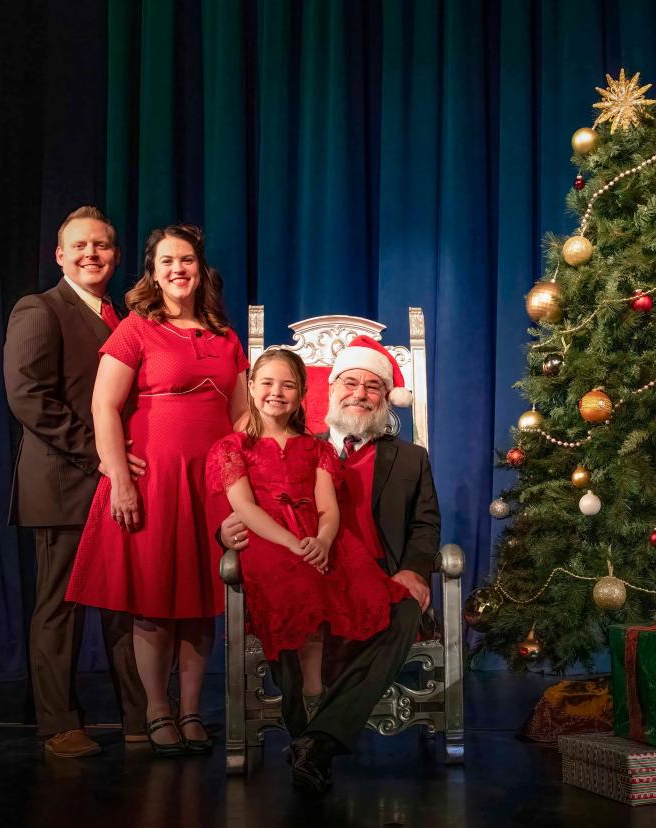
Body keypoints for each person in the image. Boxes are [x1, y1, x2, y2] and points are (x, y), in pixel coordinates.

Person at [219, 335, 438, 796]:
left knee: (403, 610)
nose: (359, 393)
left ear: (385, 399)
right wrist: (224, 530)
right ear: (329, 389)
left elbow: (425, 524)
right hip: (307, 568)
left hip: (378, 574)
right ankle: (312, 739)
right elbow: (248, 502)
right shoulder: (299, 446)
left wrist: (414, 570)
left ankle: (314, 742)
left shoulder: (411, 459)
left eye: (373, 387)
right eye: (350, 382)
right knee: (295, 601)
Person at [65, 224, 248, 758]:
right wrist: (118, 476)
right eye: (166, 261)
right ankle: (155, 709)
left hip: (209, 482)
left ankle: (191, 710)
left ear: (200, 268)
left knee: (199, 602)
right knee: (153, 603)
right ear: (153, 271)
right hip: (154, 479)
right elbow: (103, 406)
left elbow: (240, 415)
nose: (177, 269)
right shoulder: (136, 331)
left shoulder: (225, 336)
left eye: (186, 259)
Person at [3, 206, 147, 758]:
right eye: (80, 246)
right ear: (59, 255)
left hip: (120, 485)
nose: (92, 254)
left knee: (126, 605)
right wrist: (102, 457)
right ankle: (58, 724)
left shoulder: (126, 317)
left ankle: (141, 718)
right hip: (64, 484)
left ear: (115, 255)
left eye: (103, 246)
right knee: (60, 608)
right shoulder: (39, 309)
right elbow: (28, 398)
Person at [206, 348, 410, 722]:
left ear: (301, 394)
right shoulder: (233, 447)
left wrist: (324, 540)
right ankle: (297, 694)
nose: (276, 392)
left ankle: (316, 692)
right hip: (269, 541)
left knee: (355, 585)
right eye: (267, 383)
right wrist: (288, 541)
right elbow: (245, 508)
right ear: (250, 387)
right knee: (294, 580)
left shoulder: (316, 449)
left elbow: (328, 508)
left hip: (315, 540)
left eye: (288, 386)